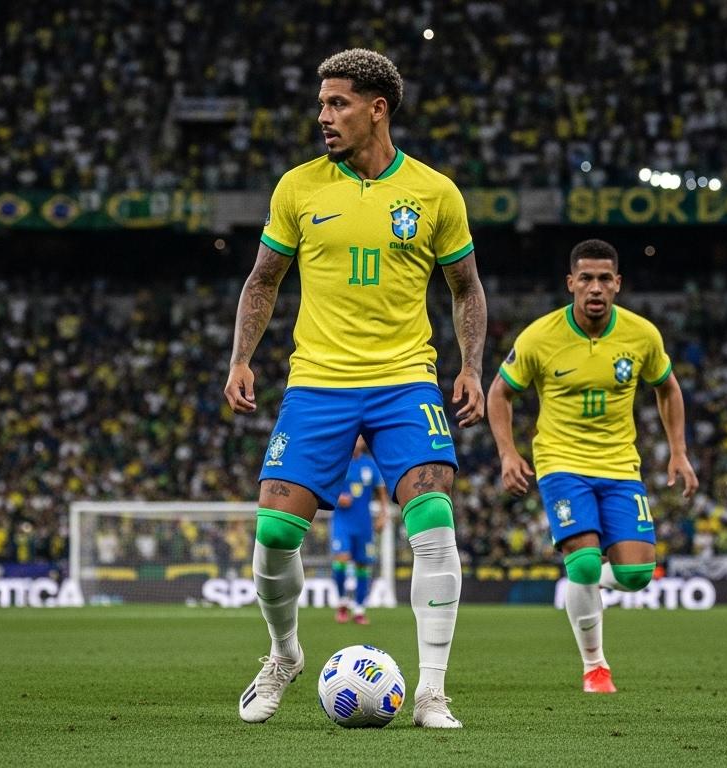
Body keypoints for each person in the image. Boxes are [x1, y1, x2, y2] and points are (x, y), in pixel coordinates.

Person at [223, 49, 486, 728]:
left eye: (337, 103)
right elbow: (262, 281)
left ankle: (431, 690)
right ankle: (284, 655)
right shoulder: (298, 188)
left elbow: (467, 289)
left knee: (432, 517)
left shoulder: (434, 193)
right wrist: (241, 358)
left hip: (405, 381)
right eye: (320, 105)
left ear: (378, 109)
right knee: (275, 534)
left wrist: (469, 368)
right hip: (319, 382)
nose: (323, 117)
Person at [487, 239, 698, 693]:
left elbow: (668, 389)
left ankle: (590, 583)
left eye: (604, 278)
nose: (595, 288)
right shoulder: (540, 337)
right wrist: (508, 452)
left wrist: (678, 450)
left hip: (621, 466)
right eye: (586, 278)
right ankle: (595, 666)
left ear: (618, 284)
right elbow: (499, 393)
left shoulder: (642, 335)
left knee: (637, 576)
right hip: (561, 463)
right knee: (582, 565)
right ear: (571, 284)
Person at [331, 438, 386, 625]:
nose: (356, 441)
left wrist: (382, 515)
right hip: (342, 522)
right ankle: (341, 602)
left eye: (360, 438)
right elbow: (325, 487)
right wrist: (337, 498)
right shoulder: (337, 461)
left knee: (363, 565)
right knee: (342, 558)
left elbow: (381, 493)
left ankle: (360, 609)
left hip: (364, 523)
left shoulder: (370, 464)